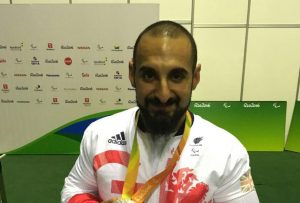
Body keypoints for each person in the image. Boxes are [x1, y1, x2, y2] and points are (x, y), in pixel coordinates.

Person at [61, 20, 259, 203]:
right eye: (149, 75)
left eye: (176, 76)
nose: (163, 94)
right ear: (132, 73)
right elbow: (74, 188)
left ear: (195, 77)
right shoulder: (99, 134)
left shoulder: (227, 152)